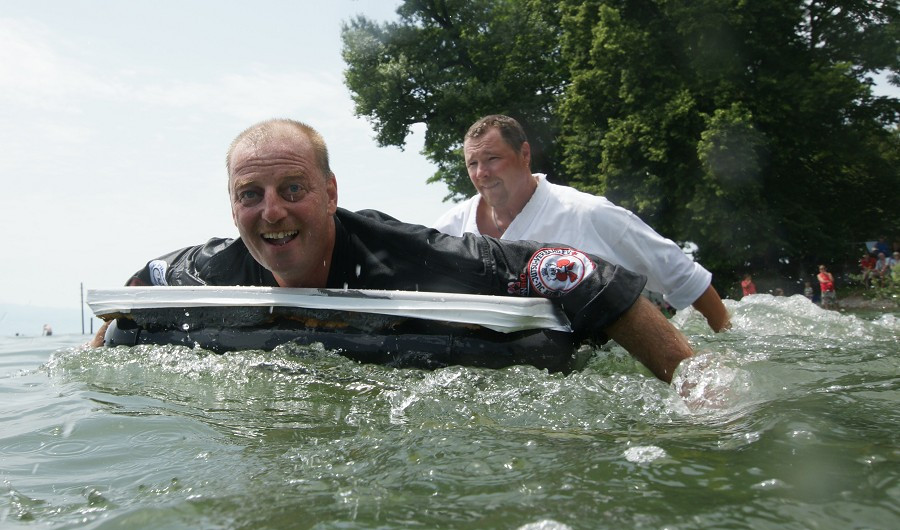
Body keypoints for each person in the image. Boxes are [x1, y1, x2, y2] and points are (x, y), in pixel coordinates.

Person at [92, 119, 693, 384]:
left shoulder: (411, 255)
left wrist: (697, 384)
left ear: (330, 193)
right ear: (232, 206)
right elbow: (140, 286)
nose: (271, 212)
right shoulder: (212, 267)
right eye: (251, 195)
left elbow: (580, 274)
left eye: (292, 189)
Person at [432, 115, 731, 332]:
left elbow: (684, 278)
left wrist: (728, 345)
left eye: (492, 158)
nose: (481, 173)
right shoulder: (451, 231)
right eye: (472, 163)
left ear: (524, 154)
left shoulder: (588, 214)